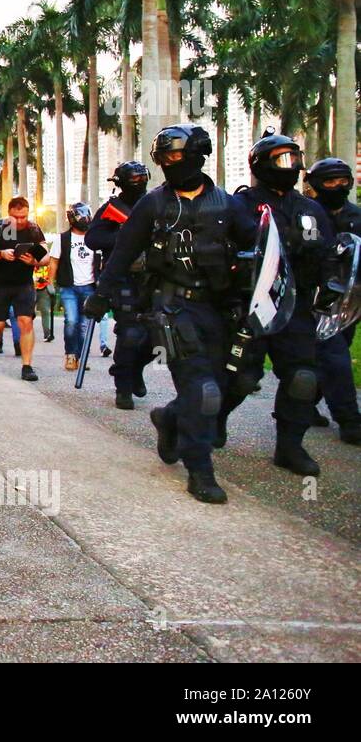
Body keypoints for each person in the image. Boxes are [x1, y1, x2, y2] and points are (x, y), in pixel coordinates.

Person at [86, 124, 258, 504]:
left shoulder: (229, 204)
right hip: (171, 307)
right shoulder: (153, 204)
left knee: (229, 383)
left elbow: (257, 248)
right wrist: (101, 296)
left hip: (219, 308)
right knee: (203, 389)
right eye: (163, 158)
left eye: (176, 155)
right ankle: (200, 469)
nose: (170, 163)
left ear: (197, 153)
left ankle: (170, 418)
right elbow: (123, 252)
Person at [215, 133, 336, 478]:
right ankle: (217, 418)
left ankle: (290, 446)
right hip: (252, 306)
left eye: (294, 158)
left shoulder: (311, 209)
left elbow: (327, 252)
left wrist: (332, 284)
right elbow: (224, 250)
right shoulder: (240, 204)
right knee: (242, 377)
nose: (291, 166)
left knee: (302, 377)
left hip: (296, 308)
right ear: (261, 164)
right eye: (282, 159)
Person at [86, 160, 154, 409]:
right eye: (133, 178)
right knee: (129, 333)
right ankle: (123, 386)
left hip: (154, 278)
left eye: (141, 177)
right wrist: (125, 236)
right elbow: (93, 238)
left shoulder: (156, 202)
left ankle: (134, 369)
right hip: (122, 276)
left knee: (158, 335)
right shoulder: (112, 209)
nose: (138, 182)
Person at [304, 157, 361, 445]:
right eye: (330, 181)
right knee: (335, 356)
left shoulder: (357, 217)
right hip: (316, 301)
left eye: (343, 181)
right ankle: (350, 420)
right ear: (316, 184)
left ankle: (303, 405)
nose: (338, 187)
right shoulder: (308, 217)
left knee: (329, 356)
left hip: (350, 302)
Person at [0, 197, 44, 381]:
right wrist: (0, 254)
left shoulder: (33, 229)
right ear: (9, 214)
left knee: (26, 322)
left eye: (24, 216)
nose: (20, 220)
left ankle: (27, 366)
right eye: (16, 217)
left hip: (23, 284)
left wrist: (34, 260)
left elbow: (45, 255)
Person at [48, 201, 98, 373]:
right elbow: (54, 261)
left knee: (85, 324)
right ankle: (70, 355)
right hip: (69, 286)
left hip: (89, 287)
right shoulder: (62, 239)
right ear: (72, 219)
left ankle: (82, 356)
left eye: (86, 215)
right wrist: (49, 283)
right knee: (71, 321)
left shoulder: (95, 237)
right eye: (81, 215)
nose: (85, 219)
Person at [33, 257, 55, 342]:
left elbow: (51, 274)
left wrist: (46, 281)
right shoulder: (30, 260)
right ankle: (26, 332)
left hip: (43, 288)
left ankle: (47, 333)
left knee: (45, 311)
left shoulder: (47, 261)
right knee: (28, 312)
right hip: (30, 288)